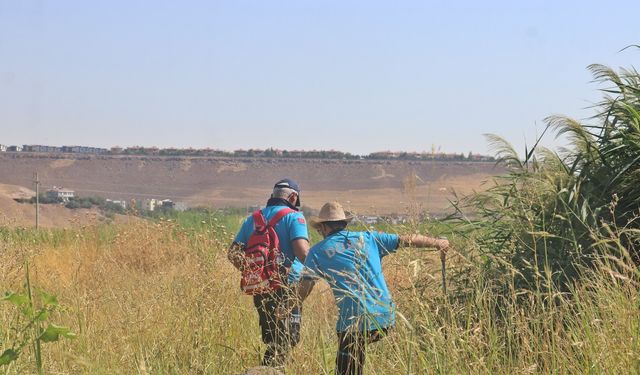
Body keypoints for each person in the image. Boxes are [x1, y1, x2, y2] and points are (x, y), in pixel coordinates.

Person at [284, 201, 449, 375]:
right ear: (344, 224)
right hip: (385, 317)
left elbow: (303, 290)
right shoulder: (369, 238)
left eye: (320, 229)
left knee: (346, 369)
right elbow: (408, 239)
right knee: (357, 356)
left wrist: (286, 307)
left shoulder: (317, 252)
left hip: (353, 322)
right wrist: (438, 242)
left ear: (324, 227)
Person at [227, 178, 310, 367]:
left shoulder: (253, 219)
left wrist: (256, 271)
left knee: (273, 337)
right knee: (288, 338)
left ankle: (269, 369)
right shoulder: (294, 217)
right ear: (293, 197)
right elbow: (302, 252)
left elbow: (233, 253)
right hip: (288, 286)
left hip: (261, 287)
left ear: (273, 196)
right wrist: (320, 270)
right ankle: (268, 370)